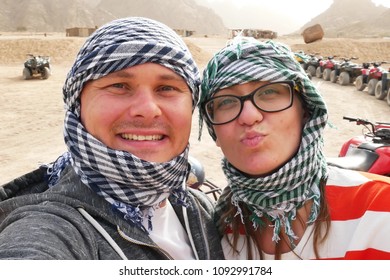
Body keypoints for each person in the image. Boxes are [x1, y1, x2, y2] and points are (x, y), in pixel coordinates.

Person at [0, 17, 224, 260]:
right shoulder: (51, 228)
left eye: (167, 88)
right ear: (78, 104)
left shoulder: (202, 209)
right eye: (119, 85)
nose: (148, 109)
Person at [197, 36, 390, 260]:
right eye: (226, 102)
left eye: (269, 92)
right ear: (215, 132)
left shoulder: (380, 210)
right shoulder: (213, 229)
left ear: (306, 110)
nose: (248, 117)